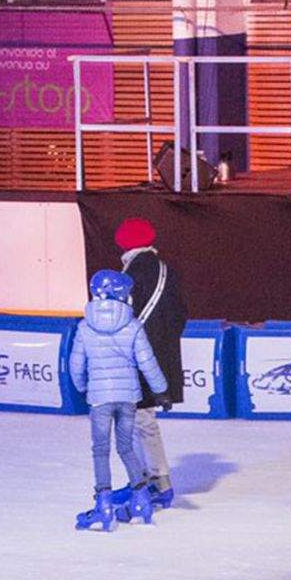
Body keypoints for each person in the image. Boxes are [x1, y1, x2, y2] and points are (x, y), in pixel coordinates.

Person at [67, 270, 169, 530]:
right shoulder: (133, 326)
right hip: (127, 398)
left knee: (100, 450)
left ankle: (103, 505)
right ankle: (141, 501)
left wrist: (83, 387)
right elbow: (147, 362)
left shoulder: (85, 327)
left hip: (100, 399)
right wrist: (161, 390)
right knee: (126, 448)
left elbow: (76, 365)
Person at [116, 217, 187, 507]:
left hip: (138, 355)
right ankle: (149, 479)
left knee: (138, 419)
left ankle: (153, 481)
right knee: (141, 418)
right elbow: (181, 313)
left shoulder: (132, 272)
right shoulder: (165, 269)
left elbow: (125, 315)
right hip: (161, 354)